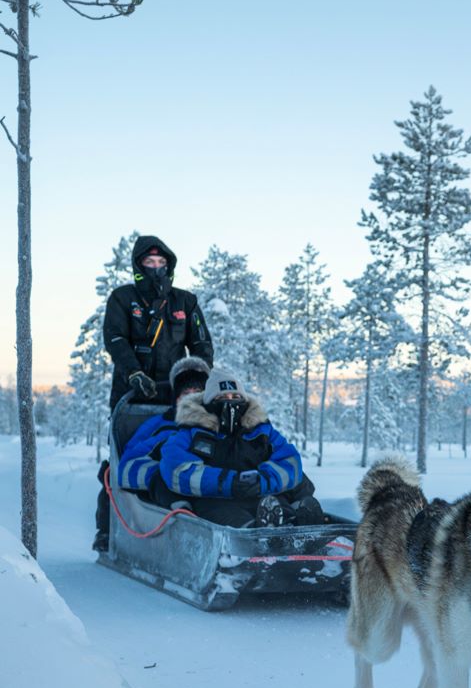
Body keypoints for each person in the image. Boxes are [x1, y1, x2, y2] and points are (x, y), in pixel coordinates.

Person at [93, 235, 214, 551]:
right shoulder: (122, 299)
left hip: (178, 393)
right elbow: (115, 339)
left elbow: (201, 342)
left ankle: (183, 511)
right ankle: (108, 528)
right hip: (131, 394)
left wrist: (199, 376)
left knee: (184, 448)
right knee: (123, 455)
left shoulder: (185, 302)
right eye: (150, 263)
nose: (156, 268)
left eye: (161, 263)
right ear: (139, 265)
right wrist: (134, 373)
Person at [159, 367, 325, 528]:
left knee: (280, 506)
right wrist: (229, 483)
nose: (230, 401)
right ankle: (255, 535)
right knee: (228, 517)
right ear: (209, 402)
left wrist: (263, 480)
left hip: (262, 496)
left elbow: (290, 461)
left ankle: (298, 525)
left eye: (235, 395)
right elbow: (176, 469)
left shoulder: (262, 431)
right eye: (222, 397)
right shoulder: (189, 433)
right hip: (214, 500)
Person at [115, 356, 211, 510]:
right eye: (186, 393)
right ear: (177, 398)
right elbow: (127, 469)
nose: (192, 398)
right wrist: (169, 474)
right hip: (172, 501)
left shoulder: (219, 426)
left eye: (198, 392)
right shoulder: (158, 426)